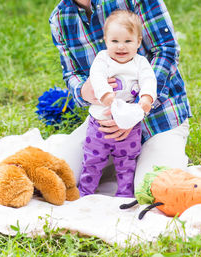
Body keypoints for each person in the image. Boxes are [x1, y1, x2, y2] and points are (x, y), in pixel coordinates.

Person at [49, 0, 191, 194]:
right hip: (104, 125)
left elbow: (166, 50)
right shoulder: (60, 18)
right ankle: (117, 163)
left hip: (159, 118)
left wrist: (133, 112)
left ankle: (163, 155)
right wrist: (83, 90)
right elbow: (71, 74)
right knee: (56, 178)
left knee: (152, 190)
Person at [78, 10, 157, 197]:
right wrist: (105, 93)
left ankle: (124, 193)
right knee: (92, 160)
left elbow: (149, 80)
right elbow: (96, 76)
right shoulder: (103, 59)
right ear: (106, 41)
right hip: (100, 123)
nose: (121, 47)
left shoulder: (140, 63)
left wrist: (146, 98)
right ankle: (86, 192)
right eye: (114, 41)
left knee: (127, 162)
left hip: (130, 122)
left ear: (138, 42)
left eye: (128, 41)